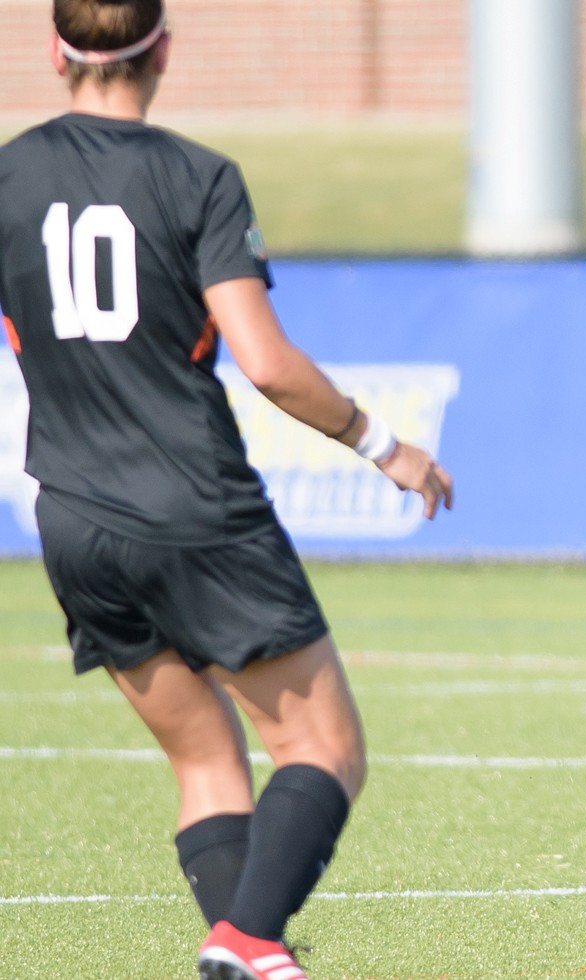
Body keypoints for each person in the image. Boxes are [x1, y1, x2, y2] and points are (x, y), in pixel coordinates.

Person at [0, 2, 454, 977]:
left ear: (55, 54)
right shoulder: (195, 178)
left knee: (205, 760)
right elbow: (268, 363)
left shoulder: (7, 176)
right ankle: (246, 936)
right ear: (161, 49)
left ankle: (250, 949)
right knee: (323, 744)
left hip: (72, 516)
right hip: (195, 507)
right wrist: (384, 445)